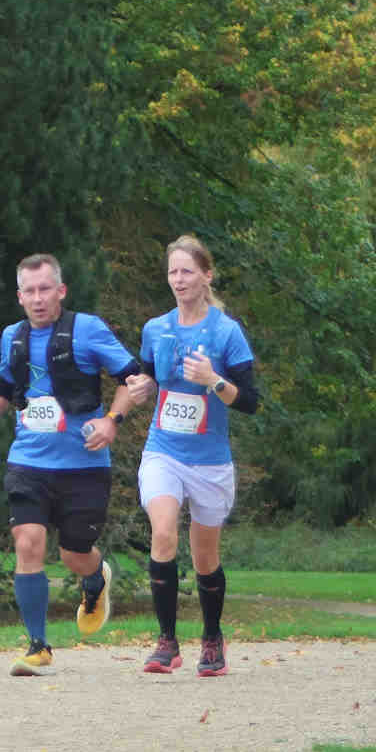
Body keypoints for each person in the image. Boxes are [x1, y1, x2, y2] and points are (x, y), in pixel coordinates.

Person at [0, 253, 142, 676]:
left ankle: (95, 576)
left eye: (46, 289)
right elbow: (4, 382)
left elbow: (134, 380)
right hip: (28, 461)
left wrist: (111, 421)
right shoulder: (13, 336)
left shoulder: (89, 330)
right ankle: (38, 645)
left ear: (61, 291)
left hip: (83, 465)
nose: (38, 298)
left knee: (73, 554)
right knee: (28, 543)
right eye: (30, 291)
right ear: (19, 296)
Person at [124, 234, 259, 677]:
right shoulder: (155, 328)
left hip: (210, 460)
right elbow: (144, 381)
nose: (178, 280)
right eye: (172, 272)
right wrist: (140, 389)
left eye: (186, 271)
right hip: (163, 451)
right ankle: (166, 642)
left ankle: (213, 638)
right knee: (163, 534)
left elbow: (250, 401)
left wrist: (213, 380)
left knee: (205, 557)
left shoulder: (226, 331)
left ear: (206, 275)